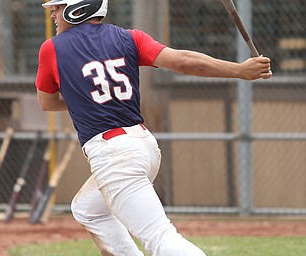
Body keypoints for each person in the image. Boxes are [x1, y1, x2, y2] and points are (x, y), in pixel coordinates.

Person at [35, 0, 272, 255]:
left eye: (58, 8)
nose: (54, 15)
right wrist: (240, 70)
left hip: (114, 155)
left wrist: (85, 99)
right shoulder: (130, 37)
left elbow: (47, 103)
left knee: (160, 238)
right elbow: (185, 60)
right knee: (87, 209)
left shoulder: (53, 48)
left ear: (78, 9)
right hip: (143, 146)